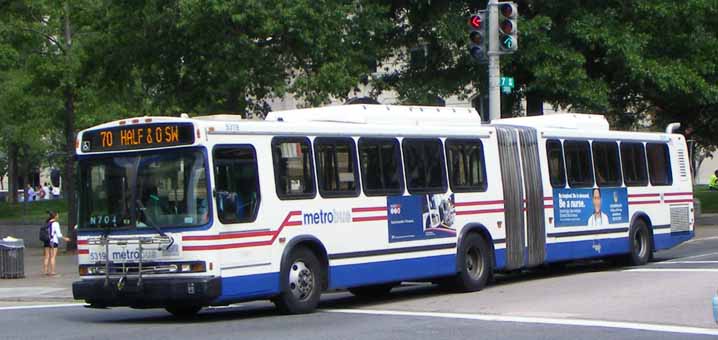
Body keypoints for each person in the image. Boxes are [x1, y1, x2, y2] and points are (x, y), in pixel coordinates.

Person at [43, 211, 70, 276]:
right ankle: (52, 271)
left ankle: (45, 271)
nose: (58, 216)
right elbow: (59, 235)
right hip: (53, 241)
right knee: (53, 257)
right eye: (57, 215)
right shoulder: (56, 223)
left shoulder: (47, 223)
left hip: (46, 241)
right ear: (55, 216)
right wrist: (65, 238)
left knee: (47, 256)